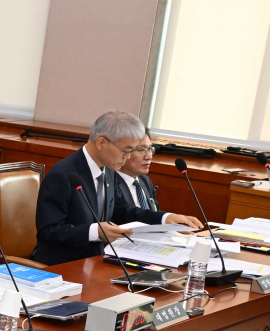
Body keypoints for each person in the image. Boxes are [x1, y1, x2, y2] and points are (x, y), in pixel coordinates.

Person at [34, 112, 200, 265]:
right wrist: (94, 231)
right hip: (64, 266)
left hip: (99, 261)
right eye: (126, 151)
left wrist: (165, 218)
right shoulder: (64, 175)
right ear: (102, 143)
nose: (127, 157)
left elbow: (123, 211)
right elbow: (48, 232)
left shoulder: (109, 169)